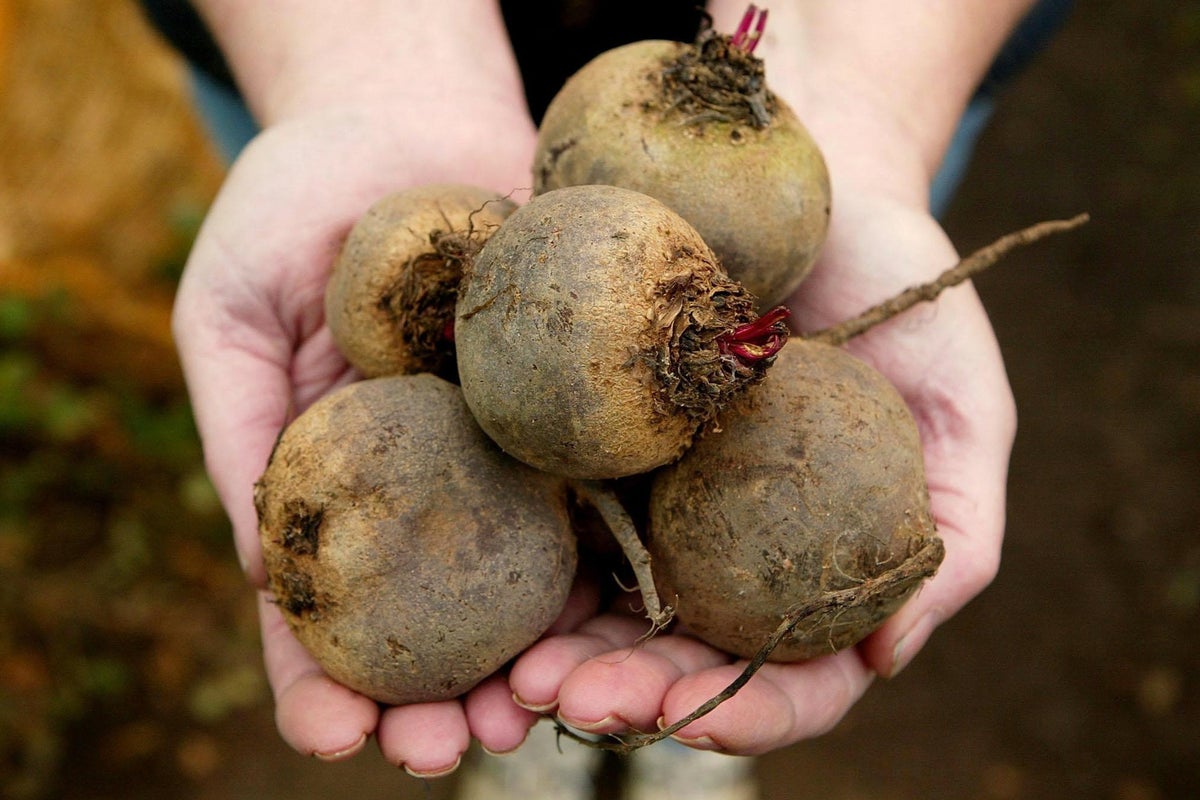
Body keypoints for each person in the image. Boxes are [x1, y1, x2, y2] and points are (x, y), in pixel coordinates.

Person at [154, 0, 1072, 783]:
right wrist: (351, 62)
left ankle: (657, 737)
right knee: (547, 682)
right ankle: (562, 727)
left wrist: (867, 104)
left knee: (650, 688)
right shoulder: (560, 272)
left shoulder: (735, 235)